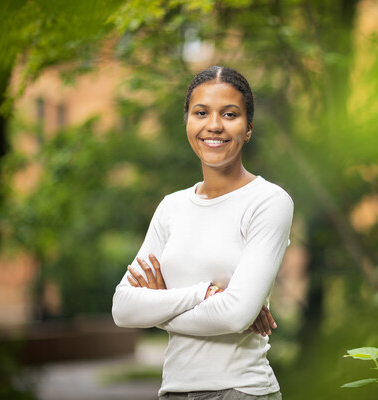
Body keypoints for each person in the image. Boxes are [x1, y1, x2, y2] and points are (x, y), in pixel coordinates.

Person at [112, 65, 294, 400]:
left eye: (229, 114)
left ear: (248, 128)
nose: (214, 125)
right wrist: (205, 295)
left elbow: (236, 313)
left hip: (241, 391)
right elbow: (123, 308)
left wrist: (158, 310)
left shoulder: (268, 202)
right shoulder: (171, 207)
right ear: (188, 122)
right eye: (201, 112)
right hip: (173, 391)